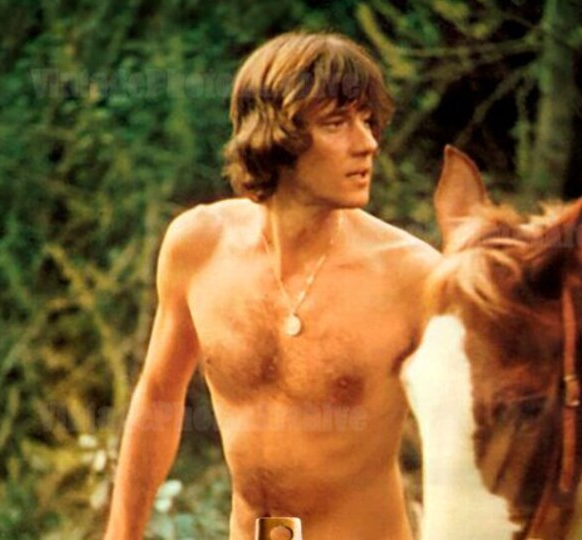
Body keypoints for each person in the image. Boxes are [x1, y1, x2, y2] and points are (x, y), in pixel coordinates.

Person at [104, 31, 440, 540]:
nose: (368, 143)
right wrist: (121, 534)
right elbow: (158, 397)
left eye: (367, 120)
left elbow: (484, 436)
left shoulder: (414, 277)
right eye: (337, 123)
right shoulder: (198, 247)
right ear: (275, 137)